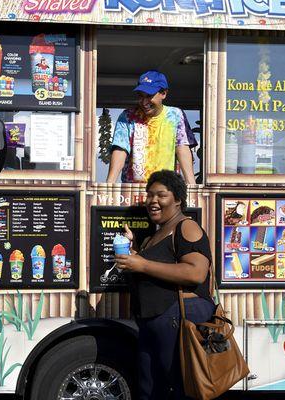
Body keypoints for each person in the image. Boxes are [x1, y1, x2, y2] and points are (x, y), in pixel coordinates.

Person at [114, 169, 214, 399]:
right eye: (149, 195)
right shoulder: (154, 236)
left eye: (161, 195)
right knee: (150, 390)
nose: (153, 201)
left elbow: (197, 272)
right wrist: (131, 253)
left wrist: (142, 265)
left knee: (181, 389)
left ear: (178, 199)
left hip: (178, 320)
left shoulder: (186, 227)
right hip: (152, 324)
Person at [106, 70, 196, 185]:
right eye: (140, 96)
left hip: (166, 189)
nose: (144, 102)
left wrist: (192, 186)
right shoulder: (127, 116)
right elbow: (120, 149)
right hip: (133, 190)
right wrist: (109, 185)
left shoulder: (176, 115)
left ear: (163, 93)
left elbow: (182, 148)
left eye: (149, 96)